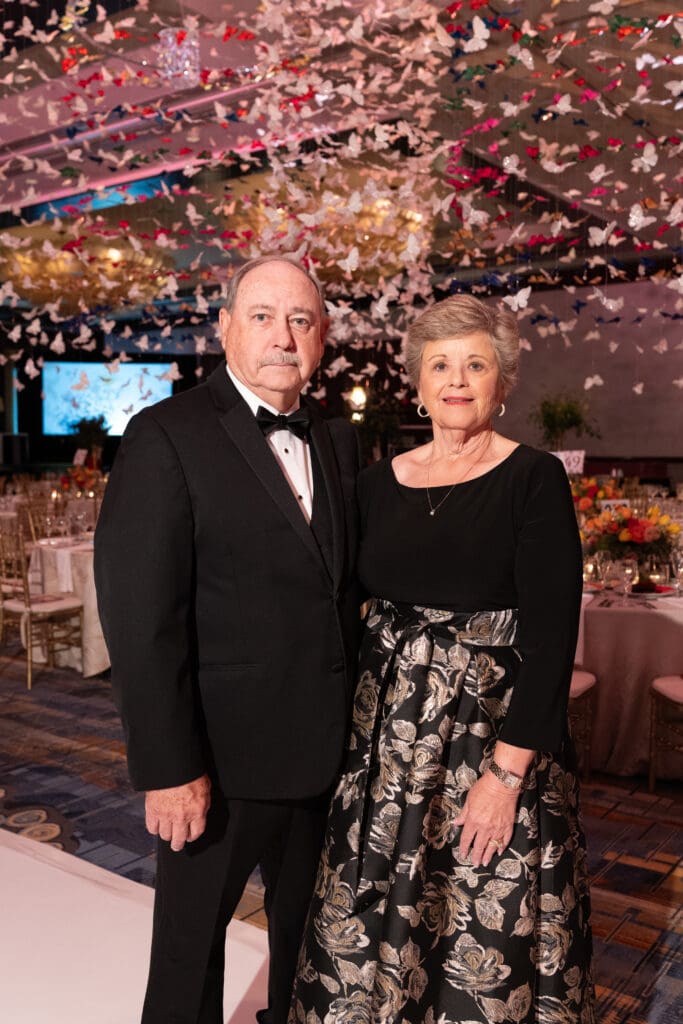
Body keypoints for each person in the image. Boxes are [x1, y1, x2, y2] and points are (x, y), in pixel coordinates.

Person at [289, 294, 595, 1023]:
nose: (456, 381)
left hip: (487, 745)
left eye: (475, 364)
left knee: (483, 922)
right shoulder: (371, 484)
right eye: (439, 365)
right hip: (384, 752)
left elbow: (553, 638)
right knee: (370, 920)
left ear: (502, 381)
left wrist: (505, 775)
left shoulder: (532, 478)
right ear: (417, 383)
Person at [94, 254, 362, 1024]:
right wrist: (169, 767)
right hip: (216, 763)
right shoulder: (164, 436)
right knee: (188, 954)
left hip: (322, 755)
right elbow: (141, 623)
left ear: (322, 338)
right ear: (224, 329)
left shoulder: (339, 439)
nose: (284, 336)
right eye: (263, 316)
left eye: (302, 320)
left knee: (309, 950)